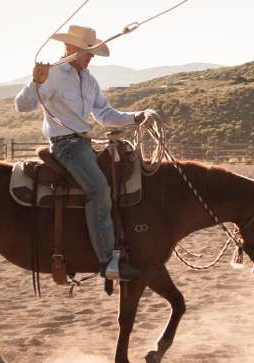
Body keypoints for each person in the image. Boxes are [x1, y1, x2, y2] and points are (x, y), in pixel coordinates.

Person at [14, 25, 158, 281]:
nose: (90, 57)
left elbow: (105, 114)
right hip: (65, 145)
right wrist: (35, 82)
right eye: (86, 52)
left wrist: (136, 117)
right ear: (69, 49)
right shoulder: (53, 75)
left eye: (91, 53)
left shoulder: (89, 80)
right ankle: (107, 261)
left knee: (118, 177)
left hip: (85, 143)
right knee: (98, 190)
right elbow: (22, 106)